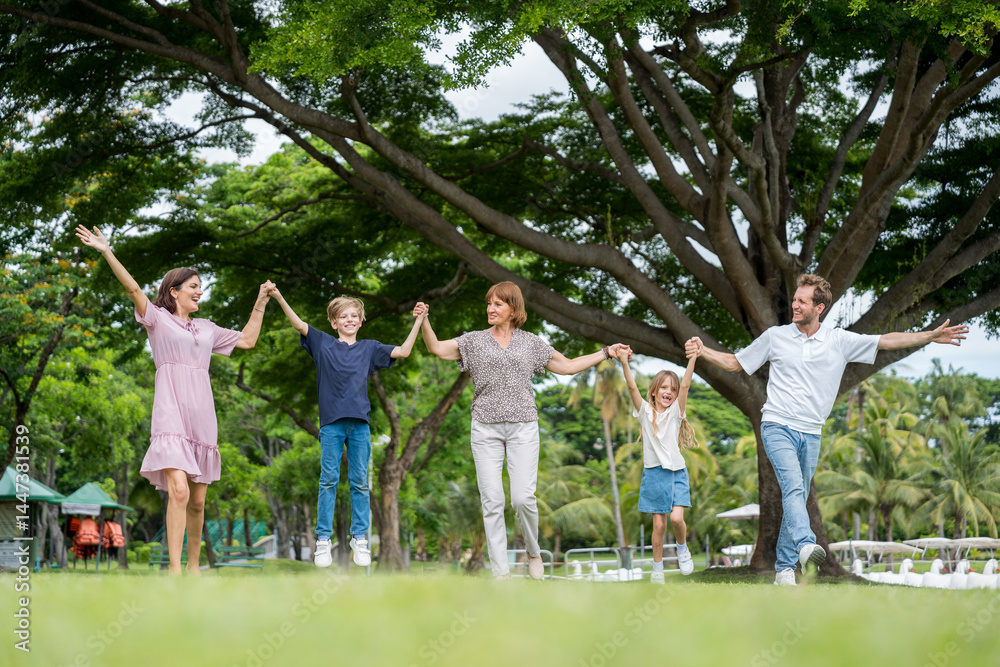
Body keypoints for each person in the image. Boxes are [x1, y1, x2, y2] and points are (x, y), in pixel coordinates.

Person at [686, 274, 968, 585]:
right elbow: (735, 363)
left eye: (801, 301)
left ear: (819, 308)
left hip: (812, 432)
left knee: (797, 495)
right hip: (777, 424)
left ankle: (784, 569)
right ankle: (807, 544)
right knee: (793, 488)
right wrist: (702, 351)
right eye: (794, 299)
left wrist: (929, 335)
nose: (794, 305)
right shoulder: (776, 337)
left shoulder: (838, 341)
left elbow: (886, 340)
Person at [76, 225, 273, 575]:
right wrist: (107, 251)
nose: (200, 291)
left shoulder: (207, 328)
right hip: (170, 413)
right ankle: (175, 571)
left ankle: (194, 568)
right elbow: (133, 288)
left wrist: (260, 302)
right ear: (174, 291)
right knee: (178, 491)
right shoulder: (158, 321)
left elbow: (247, 341)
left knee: (198, 501)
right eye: (193, 286)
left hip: (202, 416)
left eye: (200, 286)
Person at [416, 281, 631, 580]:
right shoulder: (473, 341)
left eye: (498, 304)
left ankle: (533, 551)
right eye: (489, 303)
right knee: (492, 501)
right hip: (485, 429)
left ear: (513, 308)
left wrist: (606, 352)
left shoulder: (531, 343)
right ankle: (500, 575)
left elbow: (568, 366)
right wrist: (424, 320)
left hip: (523, 428)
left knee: (522, 499)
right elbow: (437, 348)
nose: (491, 308)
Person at [268, 287, 426, 568]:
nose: (349, 319)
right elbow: (299, 324)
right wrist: (279, 297)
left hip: (360, 426)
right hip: (332, 425)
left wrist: (419, 320)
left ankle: (359, 539)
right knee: (328, 480)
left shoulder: (369, 349)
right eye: (343, 316)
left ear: (361, 321)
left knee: (360, 483)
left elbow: (403, 351)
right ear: (334, 322)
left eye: (354, 316)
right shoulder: (323, 344)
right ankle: (323, 540)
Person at [617, 345, 698, 582]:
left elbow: (686, 385)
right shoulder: (644, 412)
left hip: (677, 472)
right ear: (653, 392)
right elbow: (632, 387)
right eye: (664, 387)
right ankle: (657, 569)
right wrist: (624, 362)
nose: (669, 392)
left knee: (676, 519)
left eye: (672, 389)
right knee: (659, 525)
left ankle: (683, 549)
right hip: (653, 473)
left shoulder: (676, 412)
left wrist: (693, 358)